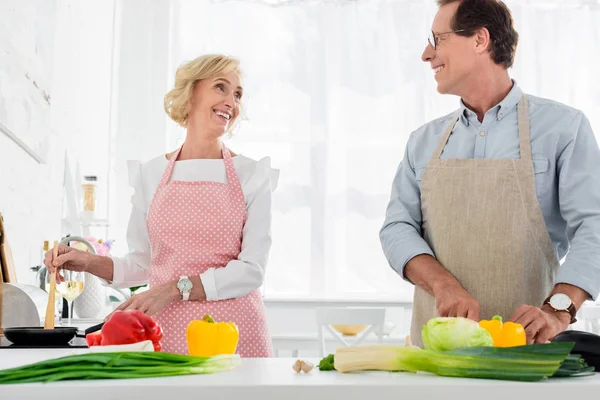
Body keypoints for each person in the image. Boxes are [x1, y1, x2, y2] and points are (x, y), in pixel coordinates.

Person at [380, 0, 600, 348]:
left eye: (438, 40)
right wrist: (443, 285)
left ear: (480, 40)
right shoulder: (422, 141)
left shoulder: (564, 129)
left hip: (529, 352)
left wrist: (558, 310)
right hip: (436, 355)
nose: (426, 54)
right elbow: (397, 228)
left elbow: (594, 226)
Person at [45, 54, 279, 356]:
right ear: (191, 92)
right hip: (167, 336)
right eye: (220, 87)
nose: (231, 103)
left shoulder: (252, 174)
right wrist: (86, 261)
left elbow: (251, 270)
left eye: (237, 94)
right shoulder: (150, 174)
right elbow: (143, 265)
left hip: (236, 335)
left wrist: (172, 289)